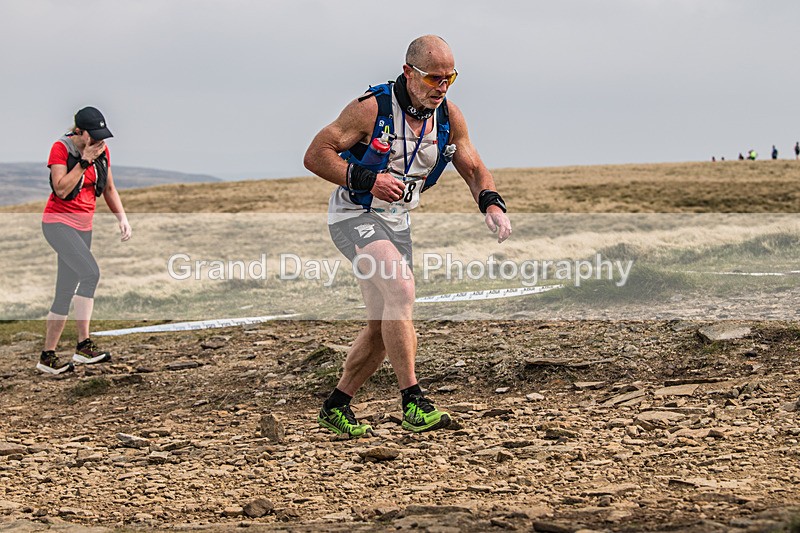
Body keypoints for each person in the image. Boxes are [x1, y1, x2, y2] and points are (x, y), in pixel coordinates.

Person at [304, 35, 512, 437]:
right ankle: (413, 401)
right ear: (408, 72)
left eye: (449, 78)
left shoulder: (449, 117)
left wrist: (490, 202)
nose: (442, 87)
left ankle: (336, 405)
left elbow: (472, 166)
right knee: (401, 289)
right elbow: (316, 154)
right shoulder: (371, 109)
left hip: (397, 221)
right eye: (434, 78)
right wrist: (366, 178)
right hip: (355, 215)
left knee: (383, 325)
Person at [38, 107, 132, 374]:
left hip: (83, 227)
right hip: (57, 225)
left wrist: (122, 218)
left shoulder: (102, 150)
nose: (100, 140)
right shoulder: (61, 149)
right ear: (79, 132)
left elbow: (109, 188)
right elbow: (61, 188)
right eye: (95, 135)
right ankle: (83, 346)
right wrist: (84, 161)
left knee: (65, 291)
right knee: (91, 273)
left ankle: (47, 357)